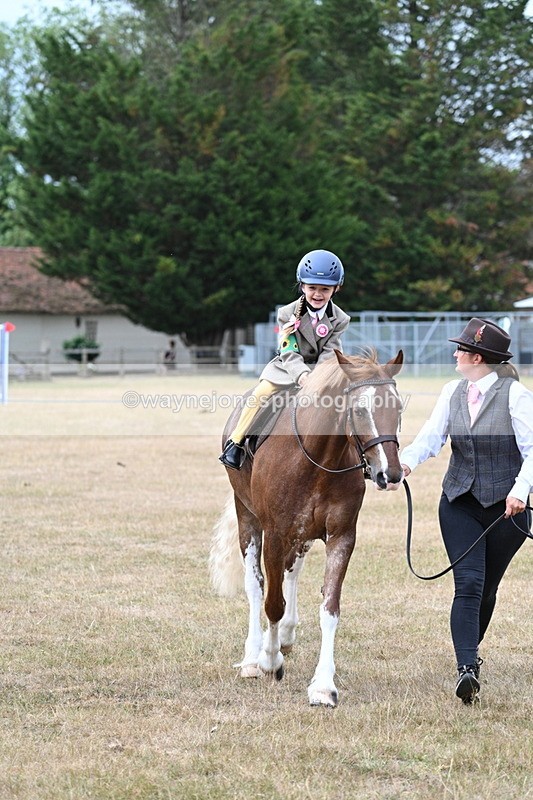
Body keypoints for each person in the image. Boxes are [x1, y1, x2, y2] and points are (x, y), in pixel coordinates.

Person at [400, 318, 533, 704]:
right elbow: (431, 436)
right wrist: (405, 464)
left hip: (508, 510)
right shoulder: (451, 391)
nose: (455, 354)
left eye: (461, 349)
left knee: (487, 588)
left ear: (477, 357)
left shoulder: (516, 396)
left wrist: (520, 490)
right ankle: (467, 669)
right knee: (469, 584)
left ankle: (470, 656)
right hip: (459, 502)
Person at [219, 249, 351, 470]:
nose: (318, 294)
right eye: (312, 288)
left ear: (336, 289)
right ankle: (236, 443)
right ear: (302, 286)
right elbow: (288, 350)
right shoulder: (287, 313)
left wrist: (318, 378)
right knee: (260, 394)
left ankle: (361, 458)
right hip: (287, 368)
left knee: (351, 401)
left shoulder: (340, 319)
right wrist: (302, 376)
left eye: (325, 289)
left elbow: (331, 351)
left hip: (323, 371)